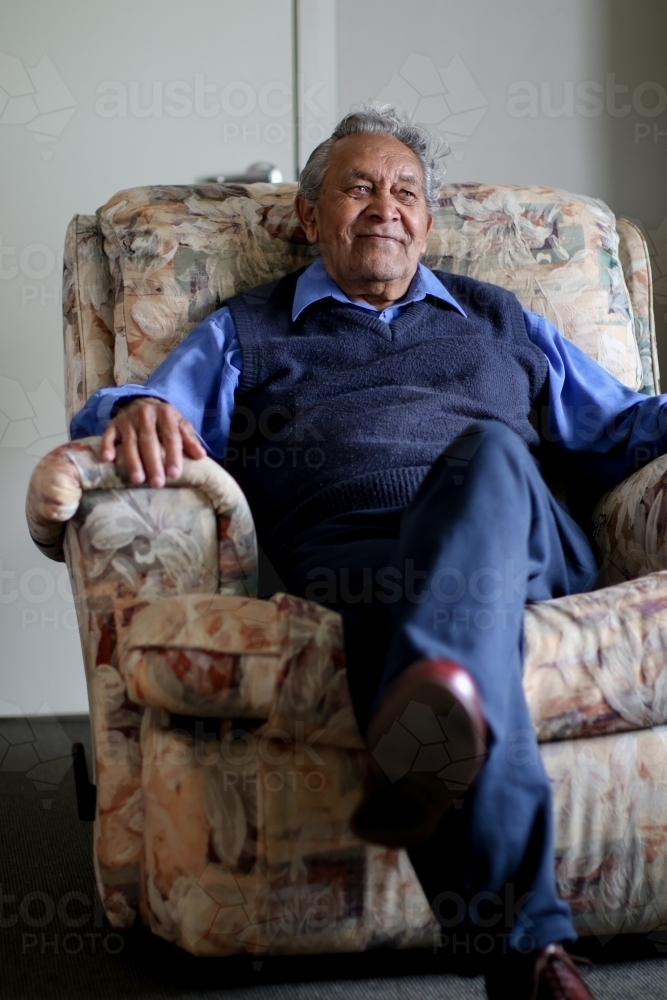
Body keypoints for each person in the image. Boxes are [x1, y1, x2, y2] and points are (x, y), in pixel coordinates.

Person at [71, 105, 667, 999]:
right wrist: (130, 409)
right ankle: (528, 957)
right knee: (426, 617)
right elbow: (150, 408)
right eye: (358, 187)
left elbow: (620, 425)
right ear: (310, 217)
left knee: (490, 456)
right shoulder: (247, 330)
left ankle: (428, 705)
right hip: (359, 560)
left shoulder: (497, 318)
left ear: (426, 220)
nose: (384, 207)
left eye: (405, 192)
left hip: (519, 542)